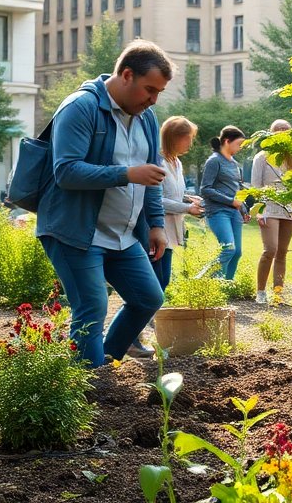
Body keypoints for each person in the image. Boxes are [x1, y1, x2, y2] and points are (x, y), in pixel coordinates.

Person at [35, 40, 172, 368]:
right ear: (126, 75)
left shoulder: (146, 118)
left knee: (148, 298)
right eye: (149, 89)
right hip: (75, 231)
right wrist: (127, 174)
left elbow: (151, 177)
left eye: (159, 93)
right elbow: (65, 171)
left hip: (122, 235)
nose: (153, 100)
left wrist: (155, 224)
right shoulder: (80, 107)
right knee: (92, 307)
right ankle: (88, 385)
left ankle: (104, 362)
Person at [251, 119, 292, 305]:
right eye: (278, 129)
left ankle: (278, 293)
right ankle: (260, 292)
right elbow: (255, 186)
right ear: (271, 132)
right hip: (269, 206)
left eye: (286, 129)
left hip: (290, 209)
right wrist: (260, 210)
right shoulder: (262, 157)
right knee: (270, 249)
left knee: (282, 253)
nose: (282, 132)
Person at [157, 116, 204, 291]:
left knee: (163, 280)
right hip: (156, 229)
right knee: (156, 281)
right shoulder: (158, 162)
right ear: (174, 137)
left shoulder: (177, 162)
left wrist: (189, 199)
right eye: (188, 138)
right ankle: (147, 318)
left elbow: (175, 193)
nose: (190, 143)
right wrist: (187, 208)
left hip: (171, 229)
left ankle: (151, 318)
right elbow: (156, 199)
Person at [202, 126, 249, 280]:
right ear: (227, 141)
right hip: (217, 212)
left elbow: (237, 190)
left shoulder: (235, 164)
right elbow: (205, 189)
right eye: (239, 144)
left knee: (237, 252)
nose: (240, 148)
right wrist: (231, 201)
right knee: (228, 249)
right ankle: (203, 281)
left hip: (234, 213)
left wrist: (243, 208)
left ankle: (226, 287)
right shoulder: (214, 161)